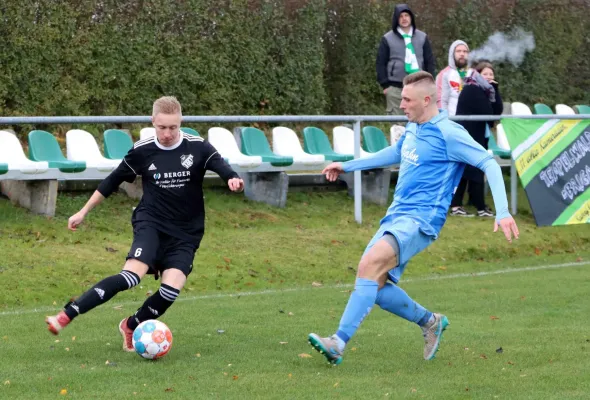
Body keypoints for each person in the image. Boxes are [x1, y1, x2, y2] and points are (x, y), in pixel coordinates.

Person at [308, 71, 518, 365]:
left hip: (421, 220)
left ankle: (338, 343)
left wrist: (503, 211)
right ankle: (430, 321)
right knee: (375, 286)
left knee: (369, 265)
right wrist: (348, 165)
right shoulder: (413, 128)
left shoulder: (449, 133)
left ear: (427, 100)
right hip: (396, 216)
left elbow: (488, 163)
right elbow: (394, 153)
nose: (401, 104)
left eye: (407, 99)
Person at [45, 96, 244, 352]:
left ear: (180, 122)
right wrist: (83, 211)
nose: (168, 133)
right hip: (151, 223)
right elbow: (113, 180)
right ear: (153, 122)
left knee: (170, 291)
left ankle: (132, 324)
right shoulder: (143, 149)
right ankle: (66, 315)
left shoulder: (198, 147)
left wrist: (233, 179)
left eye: (173, 127)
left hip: (186, 232)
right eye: (162, 127)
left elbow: (222, 166)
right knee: (130, 277)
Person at [450, 61, 503, 218]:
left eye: (491, 74)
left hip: (477, 134)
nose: (488, 77)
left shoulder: (485, 91)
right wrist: (492, 93)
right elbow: (489, 112)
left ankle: (461, 205)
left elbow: (497, 112)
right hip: (468, 134)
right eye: (485, 74)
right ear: (478, 75)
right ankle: (478, 207)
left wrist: (496, 90)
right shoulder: (472, 89)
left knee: (468, 169)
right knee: (473, 169)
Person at [376, 4, 436, 116]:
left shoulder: (422, 37)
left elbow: (429, 61)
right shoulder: (387, 38)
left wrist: (430, 82)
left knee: (419, 119)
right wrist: (385, 86)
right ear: (396, 19)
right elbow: (380, 63)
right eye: (401, 16)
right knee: (397, 124)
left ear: (411, 17)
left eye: (406, 15)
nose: (404, 19)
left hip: (418, 86)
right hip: (395, 88)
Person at [436, 40, 470, 116]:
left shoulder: (473, 73)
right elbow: (440, 100)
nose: (462, 54)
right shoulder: (444, 74)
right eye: (458, 51)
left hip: (470, 121)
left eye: (465, 51)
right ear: (452, 53)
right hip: (451, 119)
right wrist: (443, 118)